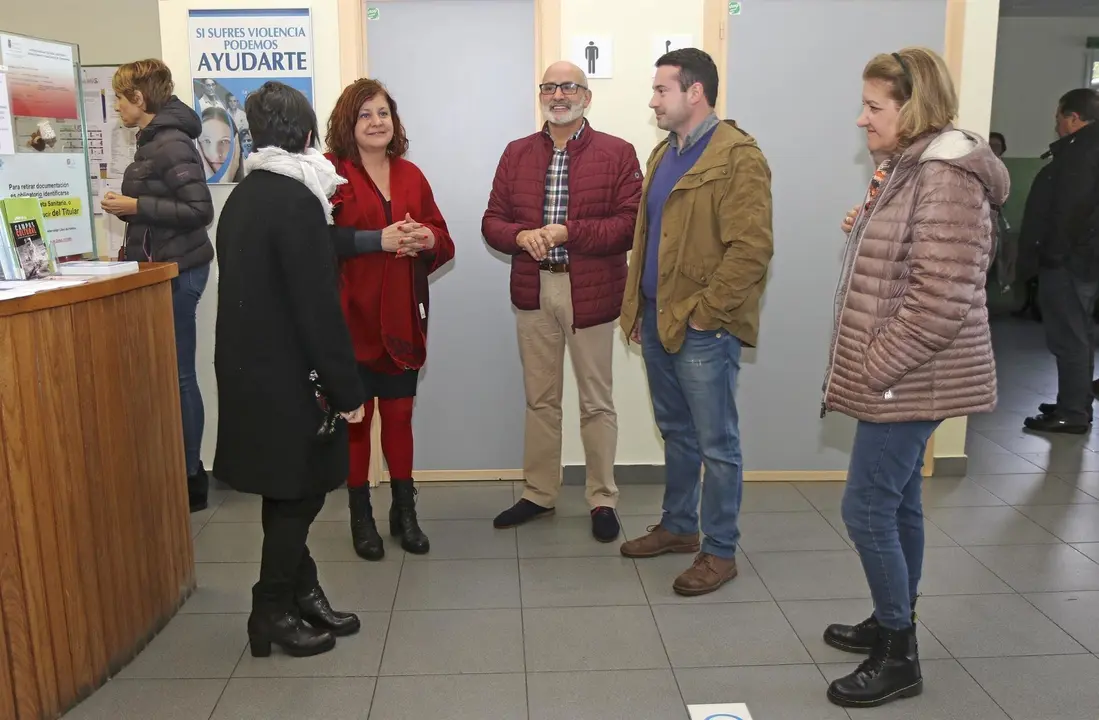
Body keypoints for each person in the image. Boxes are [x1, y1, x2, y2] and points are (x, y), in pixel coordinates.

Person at [821, 48, 1006, 708]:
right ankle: (890, 615)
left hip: (911, 376)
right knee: (897, 503)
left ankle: (898, 654)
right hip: (908, 374)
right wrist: (868, 227)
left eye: (874, 107)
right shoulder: (910, 166)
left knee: (866, 506)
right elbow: (913, 261)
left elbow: (940, 300)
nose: (861, 119)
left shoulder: (944, 175)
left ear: (914, 107)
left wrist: (875, 368)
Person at [214, 81, 367, 659]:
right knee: (299, 495)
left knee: (285, 490)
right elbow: (317, 309)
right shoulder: (299, 200)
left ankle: (303, 593)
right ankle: (271, 610)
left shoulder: (245, 195)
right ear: (306, 135)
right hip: (288, 376)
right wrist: (347, 389)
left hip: (251, 369)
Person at [618, 48, 773, 596]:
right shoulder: (664, 153)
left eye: (661, 90)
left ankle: (720, 551)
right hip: (657, 320)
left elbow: (751, 250)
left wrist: (705, 316)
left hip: (702, 328)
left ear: (695, 92)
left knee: (716, 444)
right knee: (677, 432)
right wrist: (638, 309)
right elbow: (647, 239)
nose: (653, 101)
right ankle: (680, 526)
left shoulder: (738, 156)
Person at [482, 61, 642, 542]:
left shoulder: (617, 152)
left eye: (569, 86)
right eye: (549, 87)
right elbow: (492, 221)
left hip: (589, 289)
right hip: (534, 289)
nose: (558, 95)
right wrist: (521, 236)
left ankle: (602, 498)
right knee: (541, 400)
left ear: (586, 97)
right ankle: (539, 493)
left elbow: (629, 225)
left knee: (596, 401)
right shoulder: (516, 153)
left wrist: (568, 232)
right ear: (541, 96)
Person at [325, 78, 456, 560]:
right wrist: (373, 240)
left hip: (401, 320)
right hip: (349, 322)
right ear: (348, 122)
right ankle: (361, 518)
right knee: (357, 422)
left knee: (400, 417)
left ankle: (405, 513)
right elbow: (316, 241)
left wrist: (428, 239)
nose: (377, 122)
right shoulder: (330, 174)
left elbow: (444, 239)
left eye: (383, 113)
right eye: (365, 114)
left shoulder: (411, 175)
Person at [104, 59, 215, 513]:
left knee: (180, 375)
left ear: (140, 98)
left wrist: (136, 205)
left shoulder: (169, 143)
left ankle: (191, 478)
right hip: (165, 266)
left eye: (120, 98)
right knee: (173, 373)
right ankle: (181, 472)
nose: (117, 107)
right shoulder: (155, 139)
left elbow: (200, 211)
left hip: (179, 271)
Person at [1023, 88, 1099, 434]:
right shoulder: (1086, 149)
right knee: (1079, 335)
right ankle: (1076, 402)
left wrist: (1052, 254)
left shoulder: (1082, 153)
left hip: (1070, 262)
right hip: (1082, 260)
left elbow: (1069, 212)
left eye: (1059, 117)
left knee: (1070, 338)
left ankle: (1072, 412)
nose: (1056, 125)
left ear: (1074, 118)